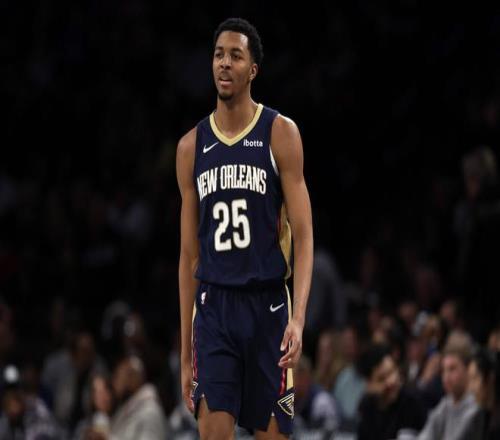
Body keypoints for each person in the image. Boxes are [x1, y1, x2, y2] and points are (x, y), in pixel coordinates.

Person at [176, 17, 313, 439]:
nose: (224, 63)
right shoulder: (190, 147)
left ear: (253, 69)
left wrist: (299, 319)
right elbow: (188, 256)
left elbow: (304, 235)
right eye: (219, 54)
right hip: (214, 310)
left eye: (235, 56)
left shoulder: (280, 133)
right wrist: (184, 354)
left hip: (267, 307)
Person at [356, 344, 426, 440]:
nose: (391, 381)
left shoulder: (411, 402)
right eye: (381, 379)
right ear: (369, 385)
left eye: (392, 372)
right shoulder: (366, 407)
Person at [418, 342, 483, 440]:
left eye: (452, 369)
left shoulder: (476, 407)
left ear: (468, 370)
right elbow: (426, 435)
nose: (446, 377)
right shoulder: (446, 403)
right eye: (443, 370)